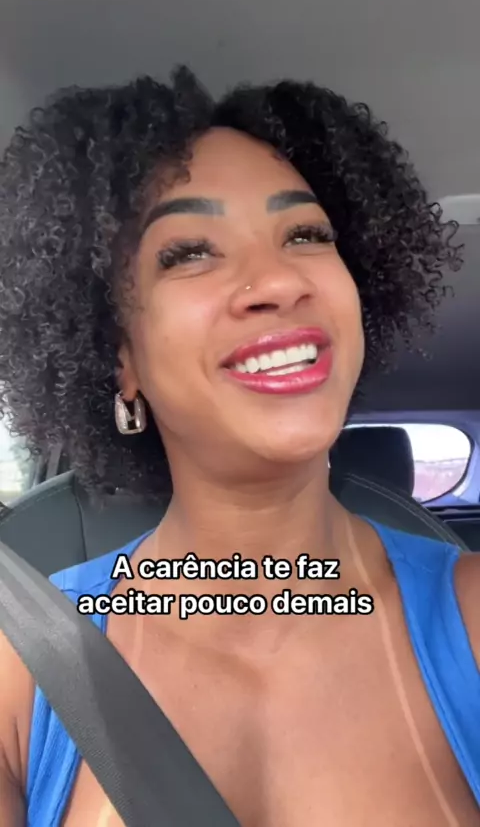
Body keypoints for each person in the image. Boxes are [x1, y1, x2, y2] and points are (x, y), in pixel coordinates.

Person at [0, 67, 478, 826]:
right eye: (189, 251)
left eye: (307, 235)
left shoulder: (472, 620)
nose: (278, 281)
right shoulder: (20, 665)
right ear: (119, 358)